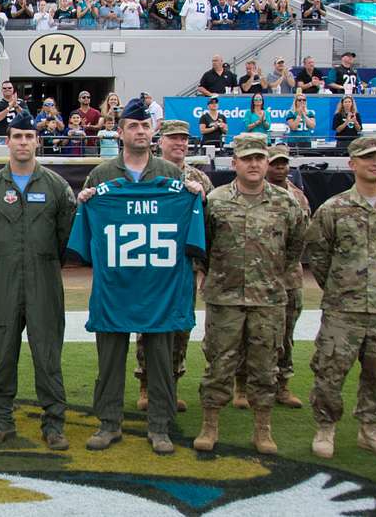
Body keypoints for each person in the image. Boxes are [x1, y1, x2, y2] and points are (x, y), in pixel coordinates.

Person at [73, 99, 203, 455]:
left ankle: (160, 426)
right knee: (110, 361)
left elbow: (192, 223)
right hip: (116, 287)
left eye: (145, 126)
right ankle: (108, 422)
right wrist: (83, 201)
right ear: (121, 132)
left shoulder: (172, 176)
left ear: (153, 131)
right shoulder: (101, 176)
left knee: (161, 361)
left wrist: (196, 199)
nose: (140, 132)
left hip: (159, 287)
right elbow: (84, 232)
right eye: (133, 126)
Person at [194, 133, 308, 455]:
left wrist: (270, 277)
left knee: (264, 366)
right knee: (218, 364)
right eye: (247, 159)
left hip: (268, 299)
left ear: (267, 162)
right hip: (225, 298)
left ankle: (262, 428)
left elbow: (294, 248)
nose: (255, 164)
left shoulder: (286, 203)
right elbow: (203, 245)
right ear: (235, 164)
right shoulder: (215, 201)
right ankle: (210, 424)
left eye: (260, 158)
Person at [307, 136, 376, 459]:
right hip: (342, 308)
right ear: (352, 164)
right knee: (329, 371)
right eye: (368, 158)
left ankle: (370, 429)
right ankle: (326, 428)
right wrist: (340, 288)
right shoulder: (334, 209)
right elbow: (319, 255)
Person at [0, 113, 75, 450]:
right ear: (7, 141)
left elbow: (64, 234)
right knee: (2, 353)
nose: (22, 142)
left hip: (44, 279)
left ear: (37, 141)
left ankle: (54, 424)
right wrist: (8, 259)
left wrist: (42, 261)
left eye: (28, 137)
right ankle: (0, 420)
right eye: (16, 136)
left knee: (47, 353)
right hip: (4, 279)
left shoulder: (56, 187)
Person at [133, 120, 214, 413]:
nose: (180, 144)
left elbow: (208, 226)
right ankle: (145, 384)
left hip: (185, 266)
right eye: (174, 139)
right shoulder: (145, 173)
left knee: (180, 325)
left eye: (184, 139)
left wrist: (203, 266)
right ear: (160, 141)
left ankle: (171, 385)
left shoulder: (200, 179)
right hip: (152, 263)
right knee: (148, 323)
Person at [257, 144, 310, 410]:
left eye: (283, 163)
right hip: (257, 277)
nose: (279, 168)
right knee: (252, 334)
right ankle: (242, 384)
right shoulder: (253, 191)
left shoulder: (298, 197)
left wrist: (287, 266)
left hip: (288, 278)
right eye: (275, 163)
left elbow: (303, 239)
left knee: (286, 334)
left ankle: (282, 384)